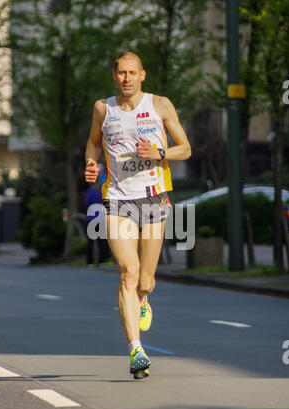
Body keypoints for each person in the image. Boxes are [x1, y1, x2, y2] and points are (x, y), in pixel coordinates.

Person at [84, 51, 191, 379]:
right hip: (117, 201)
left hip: (154, 199)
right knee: (128, 272)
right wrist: (92, 165)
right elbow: (92, 144)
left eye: (133, 73)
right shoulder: (104, 109)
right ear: (114, 75)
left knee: (145, 280)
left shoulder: (160, 105)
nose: (127, 78)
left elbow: (185, 148)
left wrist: (160, 153)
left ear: (142, 75)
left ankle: (143, 299)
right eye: (121, 73)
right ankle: (136, 348)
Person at [84, 164, 111, 267]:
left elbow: (86, 204)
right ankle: (103, 260)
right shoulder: (102, 192)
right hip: (101, 219)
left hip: (91, 219)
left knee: (91, 242)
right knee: (102, 241)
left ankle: (90, 262)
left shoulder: (89, 192)